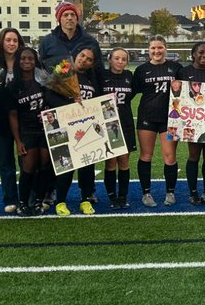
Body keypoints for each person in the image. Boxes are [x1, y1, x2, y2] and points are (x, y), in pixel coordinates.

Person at [46, 45, 102, 215]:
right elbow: (49, 97)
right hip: (64, 127)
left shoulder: (91, 79)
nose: (84, 59)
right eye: (82, 55)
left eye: (89, 59)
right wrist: (70, 104)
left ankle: (85, 200)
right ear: (76, 55)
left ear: (92, 64)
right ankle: (61, 201)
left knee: (87, 166)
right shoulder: (62, 74)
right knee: (66, 166)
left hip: (85, 129)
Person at [132, 36, 182, 207]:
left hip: (171, 119)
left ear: (165, 48)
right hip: (147, 117)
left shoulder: (175, 68)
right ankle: (146, 193)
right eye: (153, 48)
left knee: (170, 157)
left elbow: (191, 87)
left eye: (160, 47)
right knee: (146, 155)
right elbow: (130, 93)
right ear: (149, 50)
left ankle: (170, 192)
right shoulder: (141, 70)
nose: (157, 51)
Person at [174, 41, 205, 205]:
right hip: (191, 121)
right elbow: (177, 94)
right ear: (193, 54)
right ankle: (193, 193)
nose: (204, 55)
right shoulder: (184, 72)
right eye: (201, 52)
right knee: (193, 156)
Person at [9, 47, 50, 216]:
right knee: (28, 167)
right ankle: (23, 202)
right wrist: (18, 141)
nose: (27, 62)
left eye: (30, 59)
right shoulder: (13, 86)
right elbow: (12, 116)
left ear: (36, 61)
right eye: (23, 59)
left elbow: (53, 102)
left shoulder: (44, 81)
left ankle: (39, 200)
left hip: (46, 130)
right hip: (27, 131)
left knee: (45, 166)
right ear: (18, 61)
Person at [0, 28, 23, 213]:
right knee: (5, 162)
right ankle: (10, 199)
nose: (12, 44)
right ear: (1, 42)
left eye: (15, 40)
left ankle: (26, 197)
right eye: (8, 40)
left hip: (24, 121)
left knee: (26, 162)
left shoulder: (25, 64)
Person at [102, 47, 136, 208]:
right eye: (117, 58)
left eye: (123, 59)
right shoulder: (102, 76)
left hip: (126, 123)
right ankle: (112, 197)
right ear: (110, 59)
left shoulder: (129, 76)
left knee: (124, 161)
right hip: (107, 124)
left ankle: (122, 196)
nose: (120, 61)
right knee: (110, 162)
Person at [38, 1, 103, 72]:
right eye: (65, 15)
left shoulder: (90, 42)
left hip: (84, 82)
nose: (69, 18)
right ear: (59, 19)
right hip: (55, 82)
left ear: (76, 18)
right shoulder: (47, 42)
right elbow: (41, 67)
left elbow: (98, 69)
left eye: (72, 15)